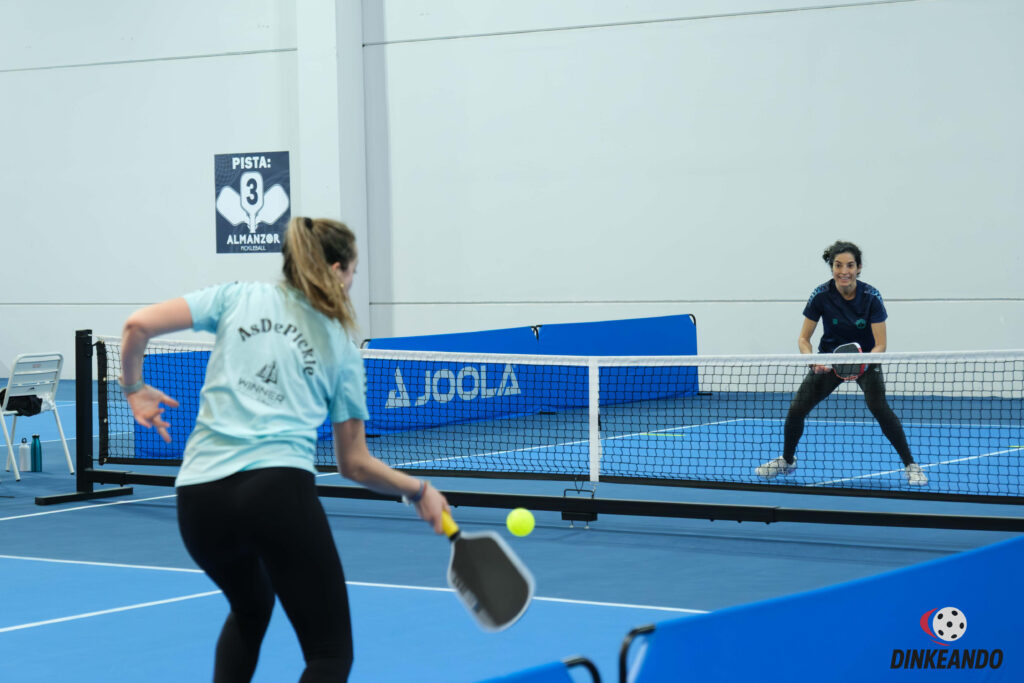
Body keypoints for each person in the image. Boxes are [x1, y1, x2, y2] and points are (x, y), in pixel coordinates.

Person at [119, 216, 449, 681]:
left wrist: (133, 387)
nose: (353, 283)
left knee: (251, 606)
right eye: (353, 271)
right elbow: (354, 463)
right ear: (336, 269)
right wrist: (419, 490)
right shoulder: (341, 344)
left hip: (198, 501)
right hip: (276, 492)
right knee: (329, 655)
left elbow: (137, 325)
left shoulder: (237, 296)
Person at [755, 240, 927, 486]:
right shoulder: (821, 295)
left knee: (880, 408)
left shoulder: (871, 297)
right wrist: (812, 361)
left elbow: (881, 344)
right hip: (830, 361)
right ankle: (787, 460)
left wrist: (865, 363)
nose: (843, 271)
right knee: (796, 410)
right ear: (832, 267)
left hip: (866, 361)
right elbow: (804, 338)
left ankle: (911, 465)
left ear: (858, 268)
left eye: (850, 265)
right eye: (838, 265)